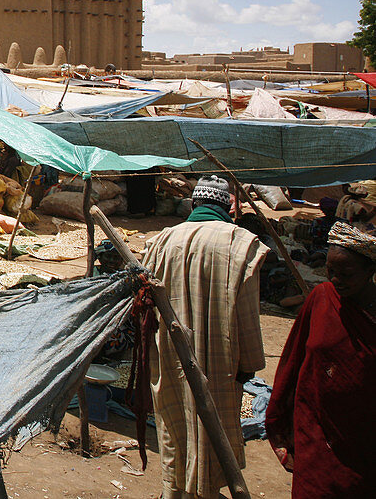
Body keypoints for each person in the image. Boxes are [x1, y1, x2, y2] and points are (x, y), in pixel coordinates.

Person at [141, 174, 268, 499]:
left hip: (171, 356)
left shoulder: (163, 240)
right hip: (220, 361)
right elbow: (247, 314)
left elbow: (145, 309)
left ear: (194, 204)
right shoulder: (241, 244)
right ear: (227, 207)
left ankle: (177, 493)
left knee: (176, 428)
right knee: (215, 435)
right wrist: (248, 366)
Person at [265, 221, 376, 498]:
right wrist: (280, 417)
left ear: (370, 271)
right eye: (331, 271)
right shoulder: (322, 298)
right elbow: (293, 360)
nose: (336, 279)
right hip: (316, 435)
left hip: (364, 440)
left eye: (346, 274)